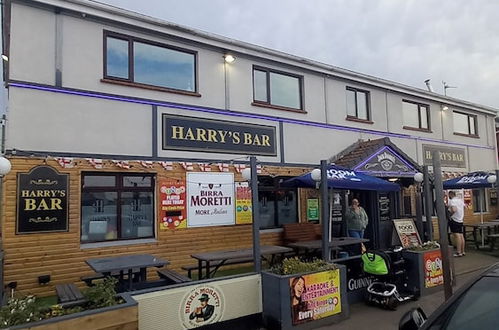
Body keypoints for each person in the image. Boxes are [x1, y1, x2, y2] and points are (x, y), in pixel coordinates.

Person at [448, 191, 465, 257]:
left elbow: (454, 210)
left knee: (457, 235)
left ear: (451, 195)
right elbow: (464, 207)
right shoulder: (460, 200)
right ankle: (463, 251)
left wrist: (450, 215)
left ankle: (458, 252)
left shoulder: (452, 201)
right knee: (461, 235)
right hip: (460, 219)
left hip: (454, 219)